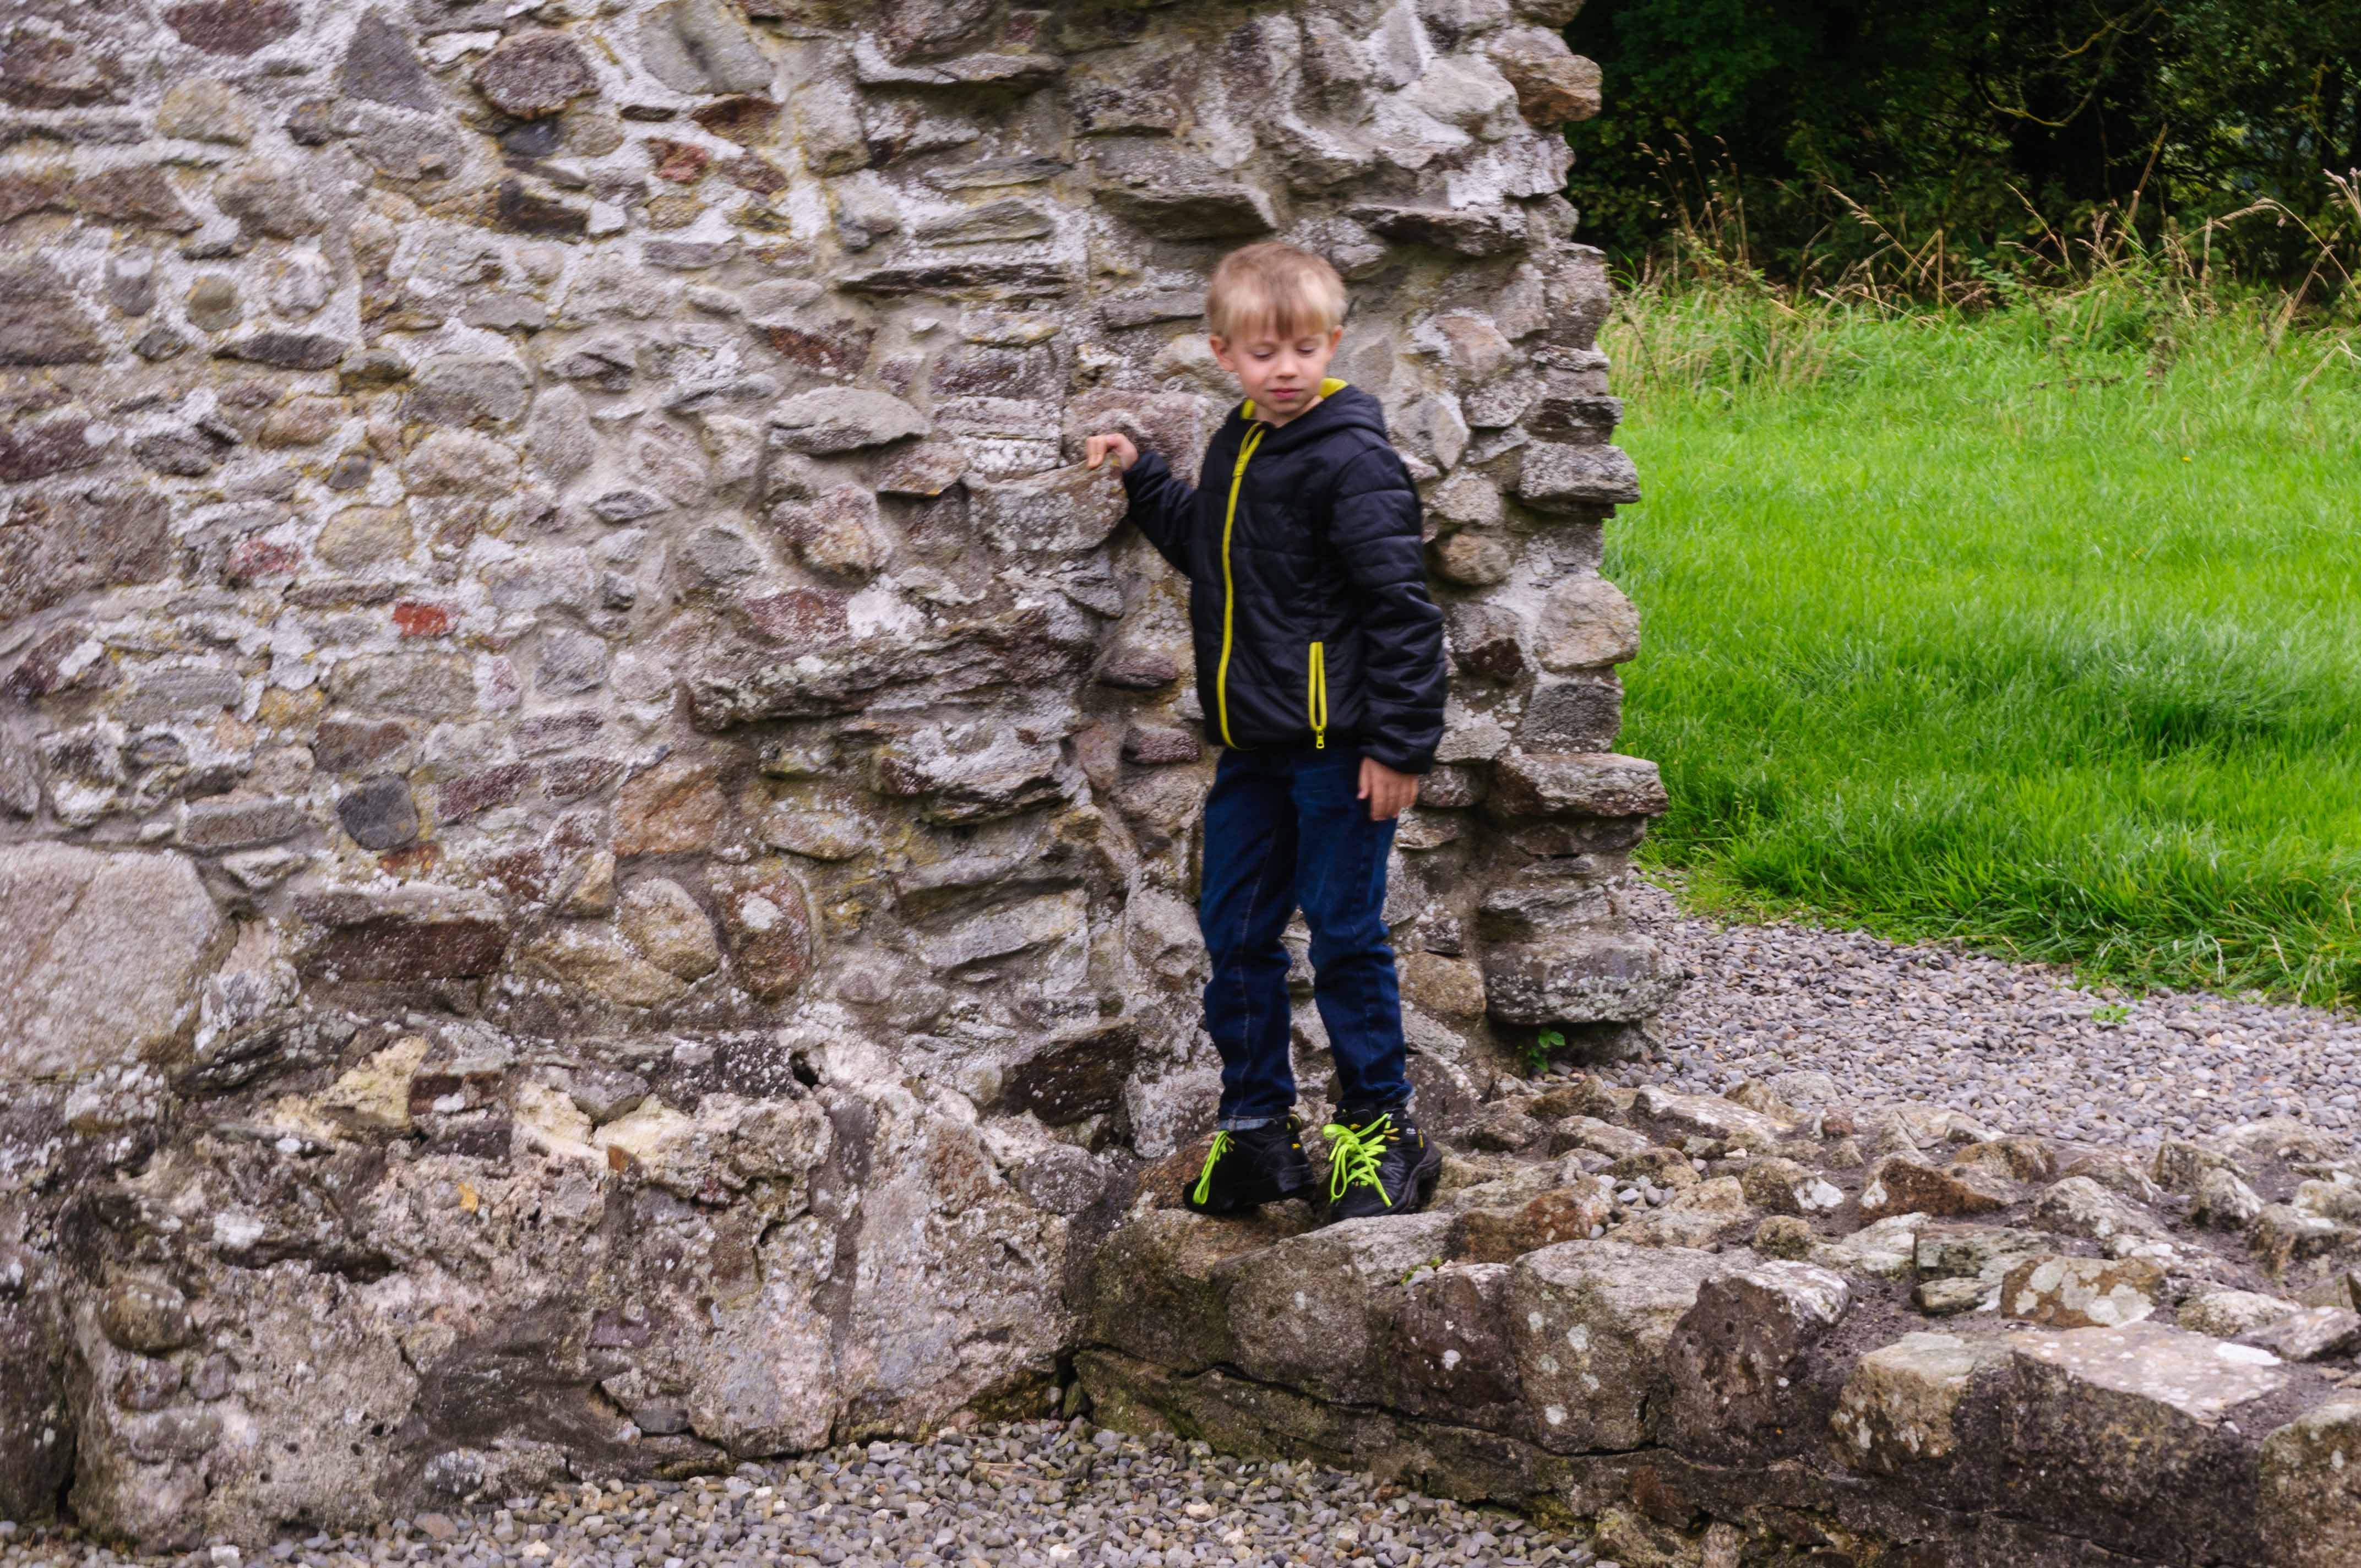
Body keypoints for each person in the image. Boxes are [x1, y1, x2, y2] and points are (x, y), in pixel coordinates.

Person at [1084, 241, 1449, 1223]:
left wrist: (1401, 746)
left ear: (1334, 342)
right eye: (1262, 353)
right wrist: (1144, 478)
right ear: (1224, 353)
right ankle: (1257, 1133)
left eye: (1304, 349)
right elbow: (1211, 547)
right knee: (1236, 931)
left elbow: (1403, 613)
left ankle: (1382, 1133)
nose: (1285, 370)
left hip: (1344, 750)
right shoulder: (1238, 441)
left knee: (1343, 932)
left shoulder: (1354, 458)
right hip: (1252, 746)